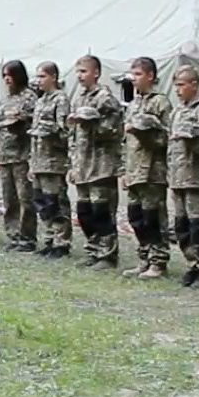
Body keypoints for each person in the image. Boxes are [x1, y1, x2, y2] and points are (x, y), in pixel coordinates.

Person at [66, 55, 124, 268]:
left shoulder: (105, 98)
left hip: (101, 166)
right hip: (82, 166)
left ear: (96, 73)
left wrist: (90, 122)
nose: (80, 76)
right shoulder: (79, 98)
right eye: (78, 72)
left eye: (84, 71)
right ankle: (93, 249)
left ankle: (107, 255)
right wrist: (73, 163)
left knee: (102, 212)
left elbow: (112, 131)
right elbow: (73, 135)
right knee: (84, 212)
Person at [122, 57, 174, 279]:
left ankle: (158, 261)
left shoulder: (161, 103)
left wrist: (146, 134)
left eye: (138, 74)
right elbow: (126, 143)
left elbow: (168, 138)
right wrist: (125, 170)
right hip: (134, 171)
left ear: (150, 76)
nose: (134, 79)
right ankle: (143, 258)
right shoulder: (133, 105)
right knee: (136, 217)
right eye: (132, 75)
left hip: (152, 171)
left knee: (154, 218)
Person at [167, 66, 199, 287]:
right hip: (178, 179)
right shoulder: (176, 112)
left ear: (194, 85)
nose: (178, 90)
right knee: (181, 227)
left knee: (198, 227)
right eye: (176, 85)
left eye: (182, 85)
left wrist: (192, 140)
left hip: (196, 179)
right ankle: (193, 264)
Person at [28, 62, 73, 259]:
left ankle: (61, 242)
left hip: (53, 160)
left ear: (53, 77)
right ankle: (49, 239)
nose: (38, 81)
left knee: (56, 202)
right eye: (37, 77)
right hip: (39, 159)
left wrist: (50, 128)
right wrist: (32, 161)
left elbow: (65, 130)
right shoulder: (40, 101)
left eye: (42, 77)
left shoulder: (60, 99)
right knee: (42, 202)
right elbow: (33, 134)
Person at [0, 61, 38, 252]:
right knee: (9, 199)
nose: (7, 79)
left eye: (10, 75)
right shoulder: (4, 100)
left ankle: (27, 238)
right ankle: (13, 235)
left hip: (22, 155)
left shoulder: (30, 98)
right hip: (5, 156)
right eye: (4, 75)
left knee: (25, 199)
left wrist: (21, 121)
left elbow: (34, 124)